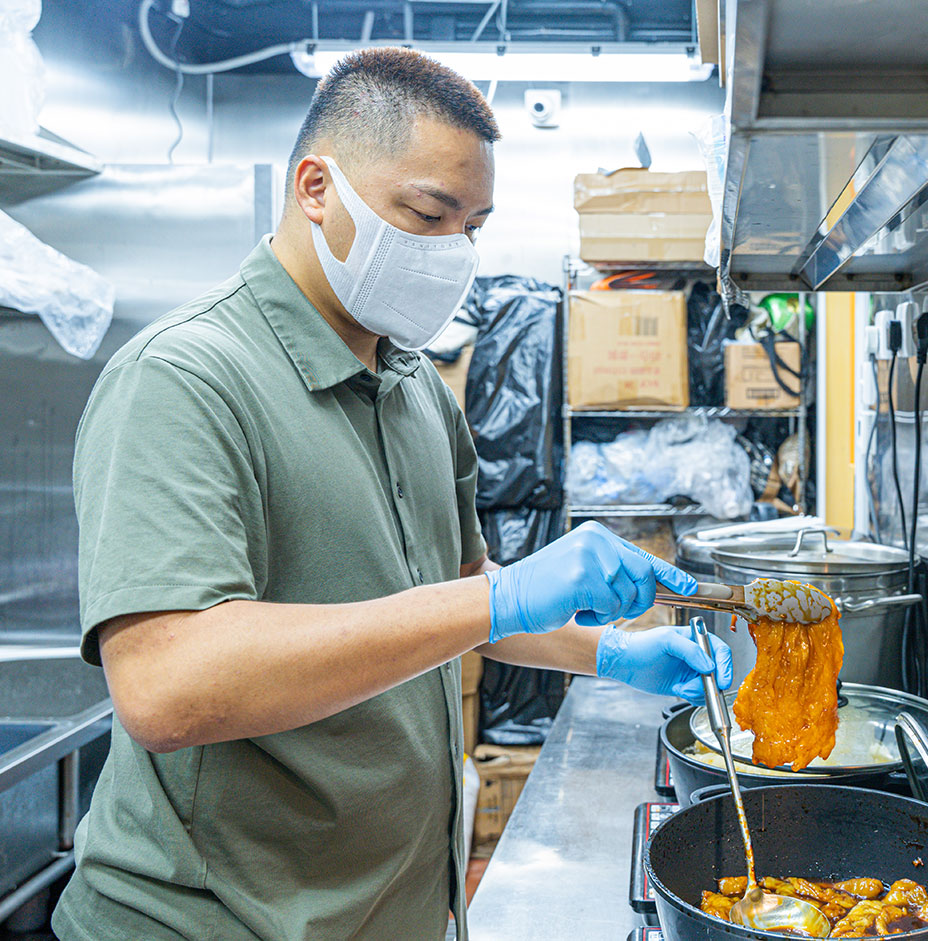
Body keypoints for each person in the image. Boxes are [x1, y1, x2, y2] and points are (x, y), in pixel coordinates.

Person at [51, 47, 732, 941]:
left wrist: (611, 654)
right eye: (426, 213)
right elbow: (167, 686)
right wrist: (496, 595)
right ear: (315, 188)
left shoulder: (411, 389)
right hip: (215, 922)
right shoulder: (184, 378)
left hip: (390, 910)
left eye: (474, 226)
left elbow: (467, 596)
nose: (452, 251)